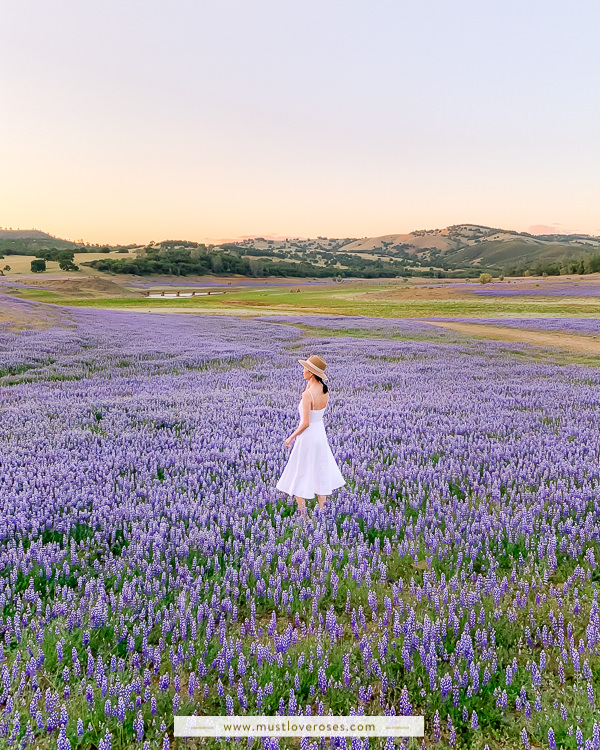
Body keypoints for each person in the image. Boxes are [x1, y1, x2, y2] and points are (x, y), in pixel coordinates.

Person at [276, 355, 345, 518]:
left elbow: (305, 423)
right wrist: (311, 380)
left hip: (307, 437)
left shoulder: (307, 395)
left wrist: (291, 437)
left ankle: (304, 516)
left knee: (300, 472)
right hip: (320, 435)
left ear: (312, 373)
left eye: (305, 369)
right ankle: (322, 512)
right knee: (321, 470)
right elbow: (315, 416)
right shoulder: (324, 390)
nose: (302, 371)